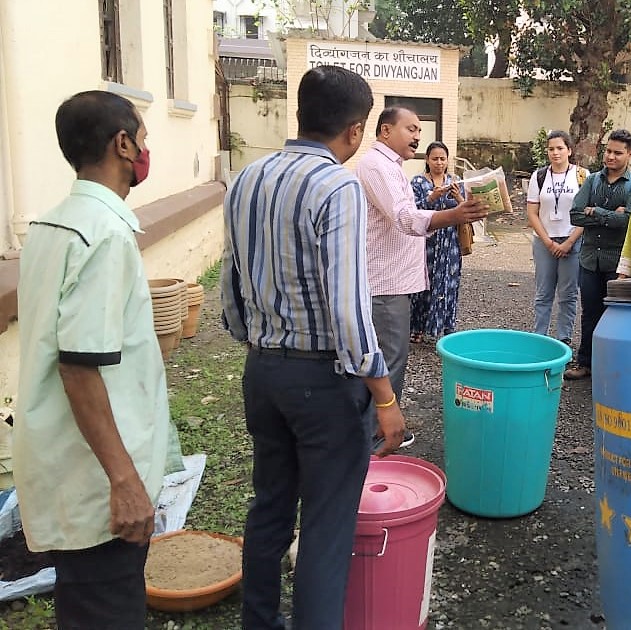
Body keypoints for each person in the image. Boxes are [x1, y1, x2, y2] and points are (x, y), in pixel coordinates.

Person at [221, 66, 406, 629]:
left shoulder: (247, 177)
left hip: (263, 371)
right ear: (355, 130)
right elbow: (349, 309)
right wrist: (384, 396)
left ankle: (260, 621)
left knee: (270, 506)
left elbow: (231, 288)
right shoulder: (338, 186)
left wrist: (257, 343)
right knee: (327, 527)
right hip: (322, 382)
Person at [13, 90, 167, 628]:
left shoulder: (53, 225)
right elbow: (79, 366)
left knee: (84, 605)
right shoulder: (103, 235)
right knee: (106, 608)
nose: (146, 150)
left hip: (66, 464)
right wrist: (125, 482)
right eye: (142, 139)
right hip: (95, 481)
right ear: (122, 144)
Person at [356, 108, 488, 404]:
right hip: (385, 285)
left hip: (395, 283)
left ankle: (380, 432)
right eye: (411, 129)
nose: (417, 137)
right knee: (389, 362)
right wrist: (453, 215)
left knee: (393, 358)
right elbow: (405, 218)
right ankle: (380, 438)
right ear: (386, 131)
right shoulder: (377, 166)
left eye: (419, 130)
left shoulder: (392, 166)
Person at [564, 129, 631, 380]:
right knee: (589, 312)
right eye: (608, 151)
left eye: (617, 153)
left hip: (617, 261)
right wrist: (610, 214)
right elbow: (575, 214)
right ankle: (585, 362)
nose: (610, 156)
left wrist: (595, 212)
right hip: (590, 259)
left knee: (617, 314)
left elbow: (629, 220)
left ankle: (613, 366)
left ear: (630, 155)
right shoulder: (592, 180)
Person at [526, 130, 587, 344]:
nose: (555, 153)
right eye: (551, 149)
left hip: (573, 240)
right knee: (543, 293)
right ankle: (539, 339)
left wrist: (570, 241)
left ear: (569, 150)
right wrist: (547, 241)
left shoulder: (582, 175)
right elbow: (532, 212)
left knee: (568, 294)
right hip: (545, 241)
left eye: (560, 148)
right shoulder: (539, 175)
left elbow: (587, 212)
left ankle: (563, 340)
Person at [410, 141, 466, 344]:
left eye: (443, 159)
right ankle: (417, 327)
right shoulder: (417, 183)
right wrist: (431, 197)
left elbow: (467, 209)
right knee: (423, 285)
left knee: (448, 284)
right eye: (435, 159)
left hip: (450, 244)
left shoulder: (455, 181)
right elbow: (411, 211)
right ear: (427, 160)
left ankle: (447, 326)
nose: (439, 163)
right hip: (426, 243)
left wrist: (459, 197)